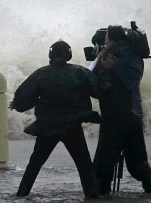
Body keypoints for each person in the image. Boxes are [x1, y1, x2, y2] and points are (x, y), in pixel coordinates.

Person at [10, 40, 102, 198]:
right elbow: (98, 91)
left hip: (47, 126)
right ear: (69, 54)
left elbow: (24, 98)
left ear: (50, 55)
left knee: (35, 164)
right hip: (72, 126)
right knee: (84, 165)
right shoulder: (80, 72)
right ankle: (92, 195)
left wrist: (17, 105)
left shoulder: (41, 73)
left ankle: (21, 194)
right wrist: (104, 70)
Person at [92, 25, 151, 195]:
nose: (104, 41)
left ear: (111, 39)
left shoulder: (107, 57)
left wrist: (103, 68)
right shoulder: (136, 57)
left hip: (113, 117)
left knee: (103, 164)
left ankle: (103, 194)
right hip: (134, 116)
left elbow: (97, 88)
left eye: (106, 38)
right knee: (138, 161)